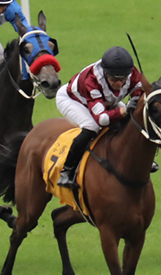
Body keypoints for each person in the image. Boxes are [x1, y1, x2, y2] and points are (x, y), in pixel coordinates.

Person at [54, 47, 144, 189]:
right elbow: (102, 119)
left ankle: (139, 159)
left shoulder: (132, 73)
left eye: (123, 79)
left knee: (133, 119)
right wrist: (125, 109)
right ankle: (67, 171)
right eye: (114, 79)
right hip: (74, 100)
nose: (119, 83)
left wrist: (135, 103)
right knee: (92, 127)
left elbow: (138, 92)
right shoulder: (91, 80)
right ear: (105, 73)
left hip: (105, 100)